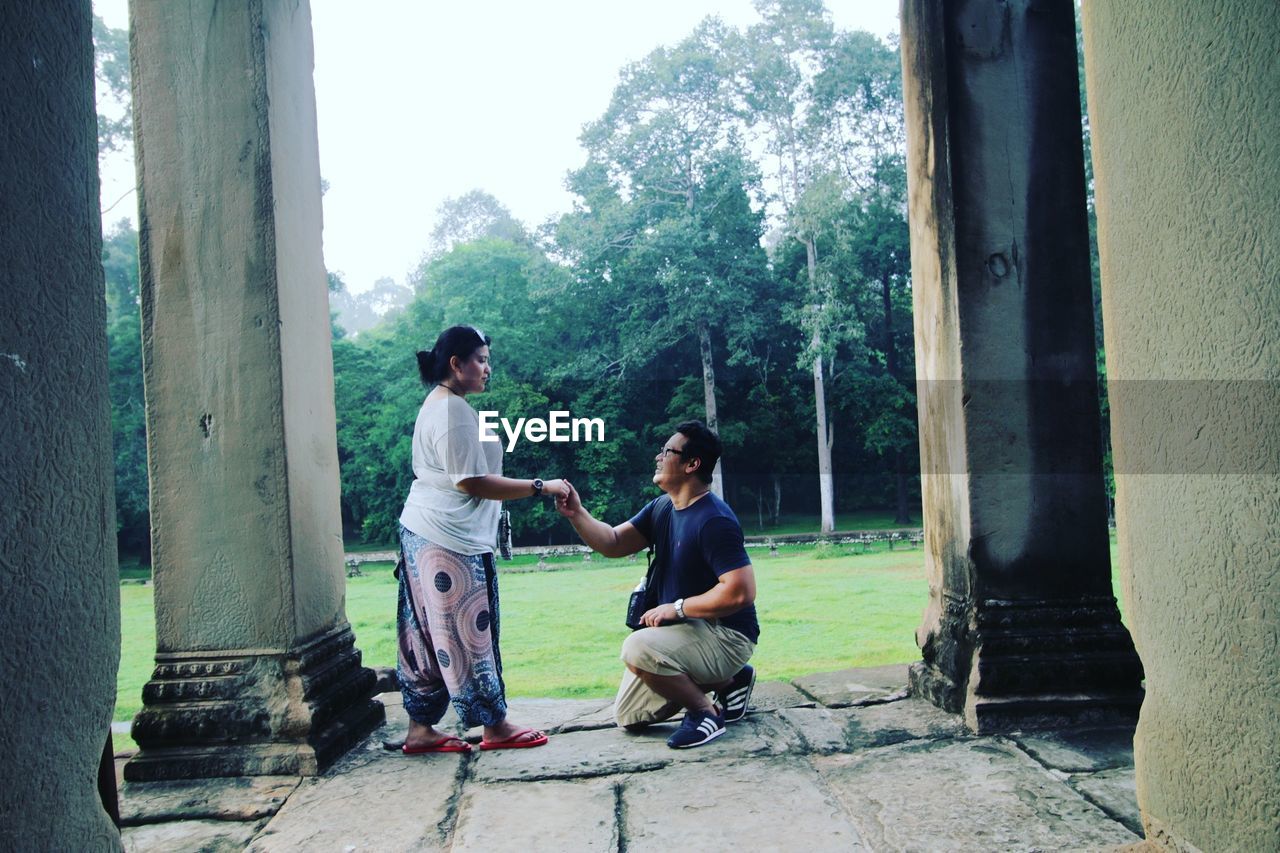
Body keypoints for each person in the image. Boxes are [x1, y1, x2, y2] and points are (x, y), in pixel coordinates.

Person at [395, 324, 569, 754]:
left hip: (427, 531)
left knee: (426, 634)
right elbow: (470, 481)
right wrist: (540, 486)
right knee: (468, 631)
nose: (488, 369)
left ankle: (421, 730)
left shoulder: (442, 404)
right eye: (481, 360)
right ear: (456, 364)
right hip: (448, 538)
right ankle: (495, 725)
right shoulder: (451, 411)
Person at [556, 421, 759, 749]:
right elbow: (612, 542)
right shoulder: (663, 508)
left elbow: (740, 591)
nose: (658, 457)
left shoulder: (714, 520)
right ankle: (731, 681)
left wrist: (677, 608)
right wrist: (576, 513)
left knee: (638, 647)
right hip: (688, 632)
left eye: (667, 451)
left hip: (727, 635)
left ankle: (705, 713)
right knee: (629, 714)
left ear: (692, 464)